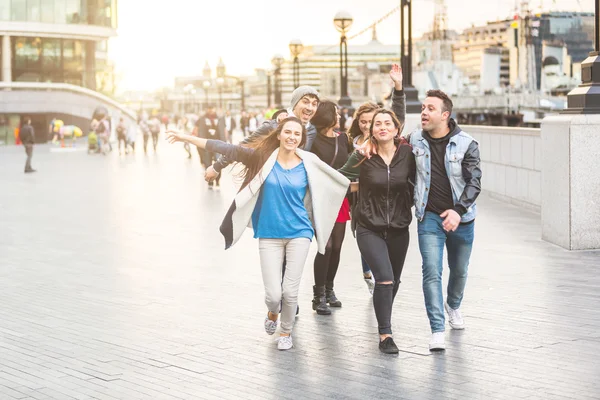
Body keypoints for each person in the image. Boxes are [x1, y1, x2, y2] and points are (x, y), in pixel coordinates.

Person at [166, 117, 350, 350]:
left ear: (301, 139)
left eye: (297, 134)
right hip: (269, 233)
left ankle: (285, 332)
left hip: (300, 232)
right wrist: (186, 138)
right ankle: (273, 312)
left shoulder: (309, 162)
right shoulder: (262, 158)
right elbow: (224, 147)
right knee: (274, 295)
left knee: (290, 293)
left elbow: (336, 179)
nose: (292, 137)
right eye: (288, 132)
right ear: (279, 135)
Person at [338, 64, 414, 354]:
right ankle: (386, 335)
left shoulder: (407, 153)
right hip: (368, 226)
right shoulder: (362, 154)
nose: (381, 127)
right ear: (369, 128)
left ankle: (383, 314)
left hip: (398, 227)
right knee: (383, 277)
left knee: (392, 282)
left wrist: (398, 88)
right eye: (376, 124)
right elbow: (339, 179)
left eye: (387, 124)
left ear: (396, 130)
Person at [408, 89, 481, 351]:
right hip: (429, 217)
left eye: (430, 108)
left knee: (459, 271)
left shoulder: (467, 144)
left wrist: (457, 212)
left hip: (461, 219)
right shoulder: (414, 139)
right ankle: (437, 328)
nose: (424, 112)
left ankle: (454, 305)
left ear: (445, 115)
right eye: (423, 108)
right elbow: (390, 140)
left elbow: (474, 182)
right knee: (431, 271)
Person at [204, 86, 320, 183]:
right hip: (266, 184)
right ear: (295, 104)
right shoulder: (273, 126)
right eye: (305, 102)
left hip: (294, 187)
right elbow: (242, 146)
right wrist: (217, 167)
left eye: (314, 104)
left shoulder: (311, 130)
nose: (310, 107)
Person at [308, 101, 354, 315]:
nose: (339, 115)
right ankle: (318, 296)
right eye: (335, 112)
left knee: (336, 246)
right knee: (324, 245)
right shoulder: (313, 139)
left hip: (340, 197)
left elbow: (354, 164)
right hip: (320, 199)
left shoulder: (344, 139)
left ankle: (329, 288)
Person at [348, 101, 381, 295]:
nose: (366, 125)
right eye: (362, 121)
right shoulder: (351, 141)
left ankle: (378, 275)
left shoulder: (383, 139)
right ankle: (367, 273)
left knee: (376, 235)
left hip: (378, 197)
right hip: (357, 197)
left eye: (370, 121)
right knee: (361, 235)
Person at [195, 106, 225, 189]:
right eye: (209, 108)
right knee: (207, 164)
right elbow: (199, 131)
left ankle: (218, 180)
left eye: (212, 108)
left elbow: (223, 130)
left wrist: (225, 143)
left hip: (218, 145)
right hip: (206, 145)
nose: (211, 110)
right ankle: (210, 182)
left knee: (218, 163)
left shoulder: (220, 118)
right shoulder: (202, 119)